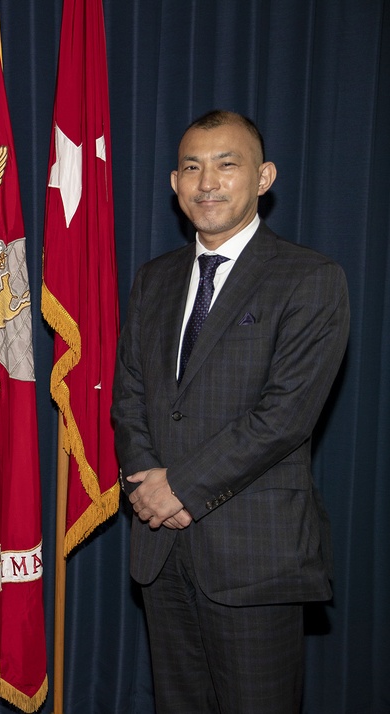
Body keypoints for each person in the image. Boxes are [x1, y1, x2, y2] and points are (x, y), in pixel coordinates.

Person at [111, 110, 349, 713]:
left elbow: (284, 417)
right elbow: (129, 396)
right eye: (193, 167)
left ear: (263, 177)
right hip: (161, 551)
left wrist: (181, 488)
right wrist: (147, 485)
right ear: (174, 182)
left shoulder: (310, 279)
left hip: (255, 556)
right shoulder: (153, 280)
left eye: (227, 164)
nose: (207, 182)